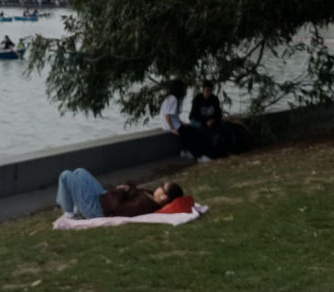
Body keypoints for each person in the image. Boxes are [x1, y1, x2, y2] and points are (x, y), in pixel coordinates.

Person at [55, 169, 186, 219]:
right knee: (80, 172)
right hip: (104, 197)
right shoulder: (151, 196)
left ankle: (69, 212)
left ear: (164, 197)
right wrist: (128, 186)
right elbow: (133, 192)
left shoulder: (145, 205)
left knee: (65, 176)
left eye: (162, 187)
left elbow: (119, 208)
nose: (159, 186)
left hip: (98, 209)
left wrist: (121, 191)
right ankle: (76, 204)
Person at [159, 81, 212, 162]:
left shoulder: (169, 98)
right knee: (193, 134)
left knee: (190, 130)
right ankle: (199, 156)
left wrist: (180, 123)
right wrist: (173, 129)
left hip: (169, 125)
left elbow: (174, 116)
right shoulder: (174, 99)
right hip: (171, 126)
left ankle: (186, 151)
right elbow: (167, 116)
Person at [188, 80, 227, 158]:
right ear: (203, 90)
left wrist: (213, 120)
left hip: (211, 120)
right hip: (197, 120)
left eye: (210, 91)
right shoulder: (197, 99)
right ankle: (209, 146)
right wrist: (205, 121)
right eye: (206, 91)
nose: (208, 93)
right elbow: (194, 115)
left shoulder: (214, 99)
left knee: (223, 125)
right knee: (201, 127)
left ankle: (222, 145)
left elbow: (218, 113)